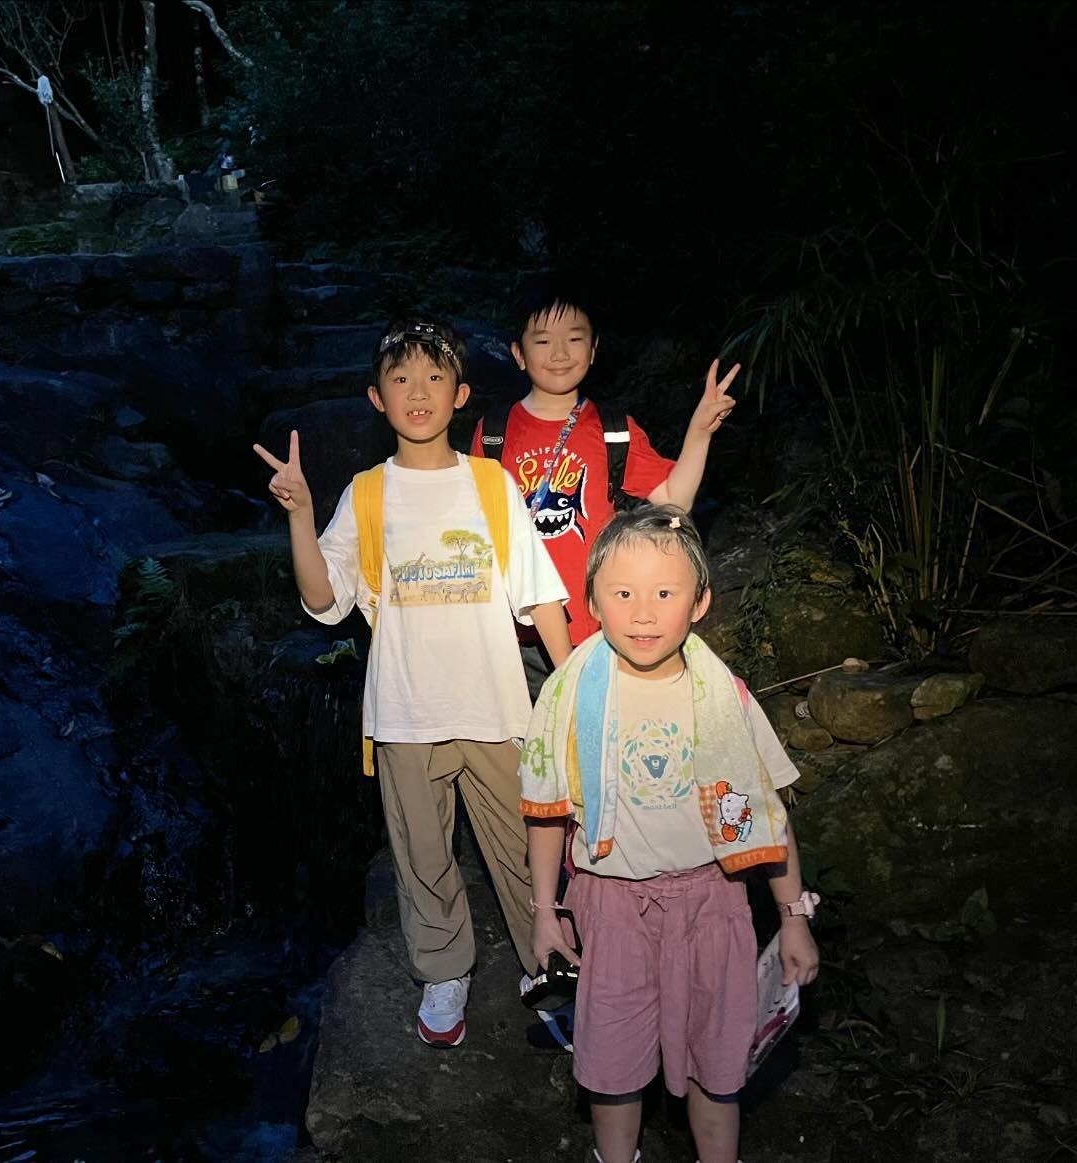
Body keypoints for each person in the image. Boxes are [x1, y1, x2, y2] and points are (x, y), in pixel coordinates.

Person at [253, 317, 573, 1048]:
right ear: (377, 398)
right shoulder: (367, 494)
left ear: (460, 393)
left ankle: (550, 964)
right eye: (400, 379)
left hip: (497, 708)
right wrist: (301, 515)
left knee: (525, 851)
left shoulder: (490, 484)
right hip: (404, 712)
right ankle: (444, 970)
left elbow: (541, 596)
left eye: (434, 377)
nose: (418, 392)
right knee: (423, 855)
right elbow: (323, 599)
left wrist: (574, 688)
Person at [520, 506, 820, 1163]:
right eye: (623, 593)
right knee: (613, 1061)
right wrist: (545, 911)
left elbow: (766, 815)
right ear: (591, 603)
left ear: (700, 602)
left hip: (713, 903)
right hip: (612, 905)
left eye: (664, 593)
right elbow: (546, 812)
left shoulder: (723, 698)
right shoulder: (569, 696)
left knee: (718, 1056)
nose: (644, 613)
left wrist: (793, 917)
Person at [471, 275, 738, 698]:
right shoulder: (494, 433)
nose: (560, 353)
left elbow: (675, 502)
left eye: (574, 339)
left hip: (596, 627)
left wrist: (699, 432)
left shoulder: (613, 429)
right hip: (513, 635)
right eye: (543, 341)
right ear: (519, 354)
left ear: (594, 349)